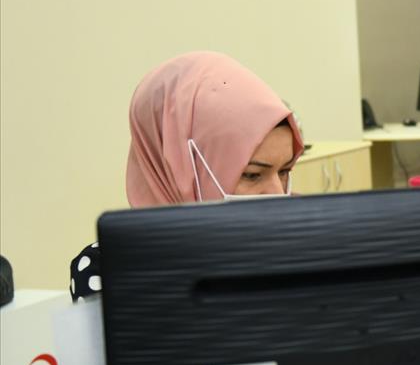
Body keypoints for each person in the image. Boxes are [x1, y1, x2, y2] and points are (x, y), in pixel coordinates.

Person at [69, 52, 303, 300]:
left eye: (285, 171)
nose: (278, 193)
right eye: (252, 175)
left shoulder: (305, 245)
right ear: (182, 167)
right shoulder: (109, 270)